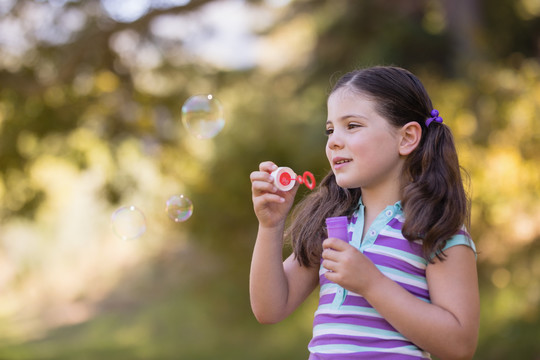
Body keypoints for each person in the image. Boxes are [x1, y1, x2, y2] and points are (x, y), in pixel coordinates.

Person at [249, 66, 479, 360]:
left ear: (407, 137)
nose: (333, 141)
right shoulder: (332, 223)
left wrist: (371, 283)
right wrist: (270, 225)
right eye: (330, 130)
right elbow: (270, 308)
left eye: (352, 126)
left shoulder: (438, 230)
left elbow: (459, 346)